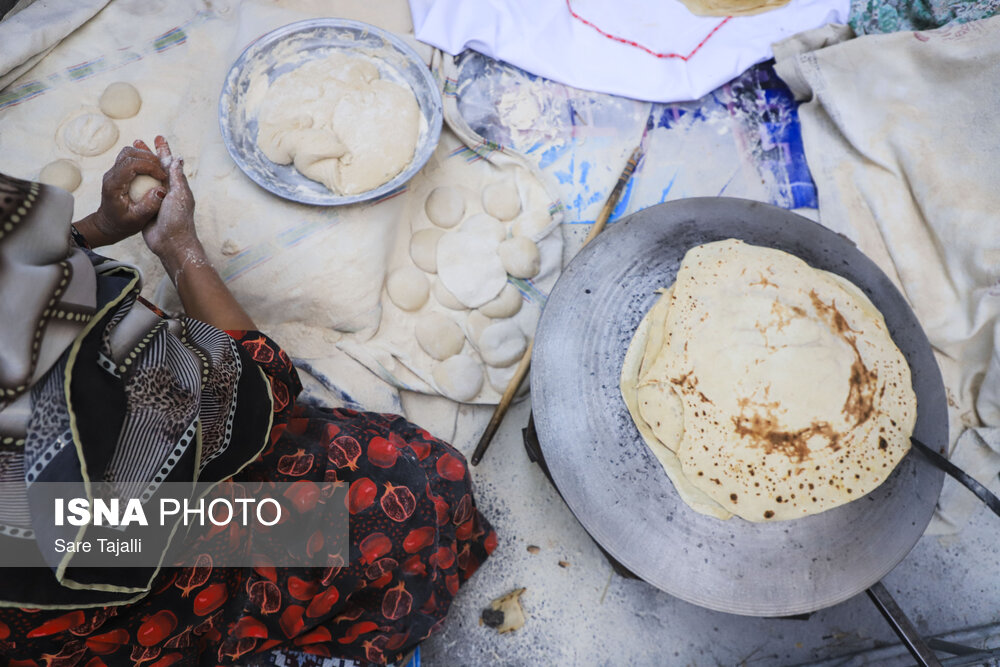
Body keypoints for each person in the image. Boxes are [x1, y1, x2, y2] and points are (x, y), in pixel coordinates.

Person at [0, 137, 495, 666]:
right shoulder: (64, 422)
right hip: (109, 554)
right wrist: (180, 247)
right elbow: (261, 392)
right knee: (419, 490)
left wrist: (91, 231)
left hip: (45, 563)